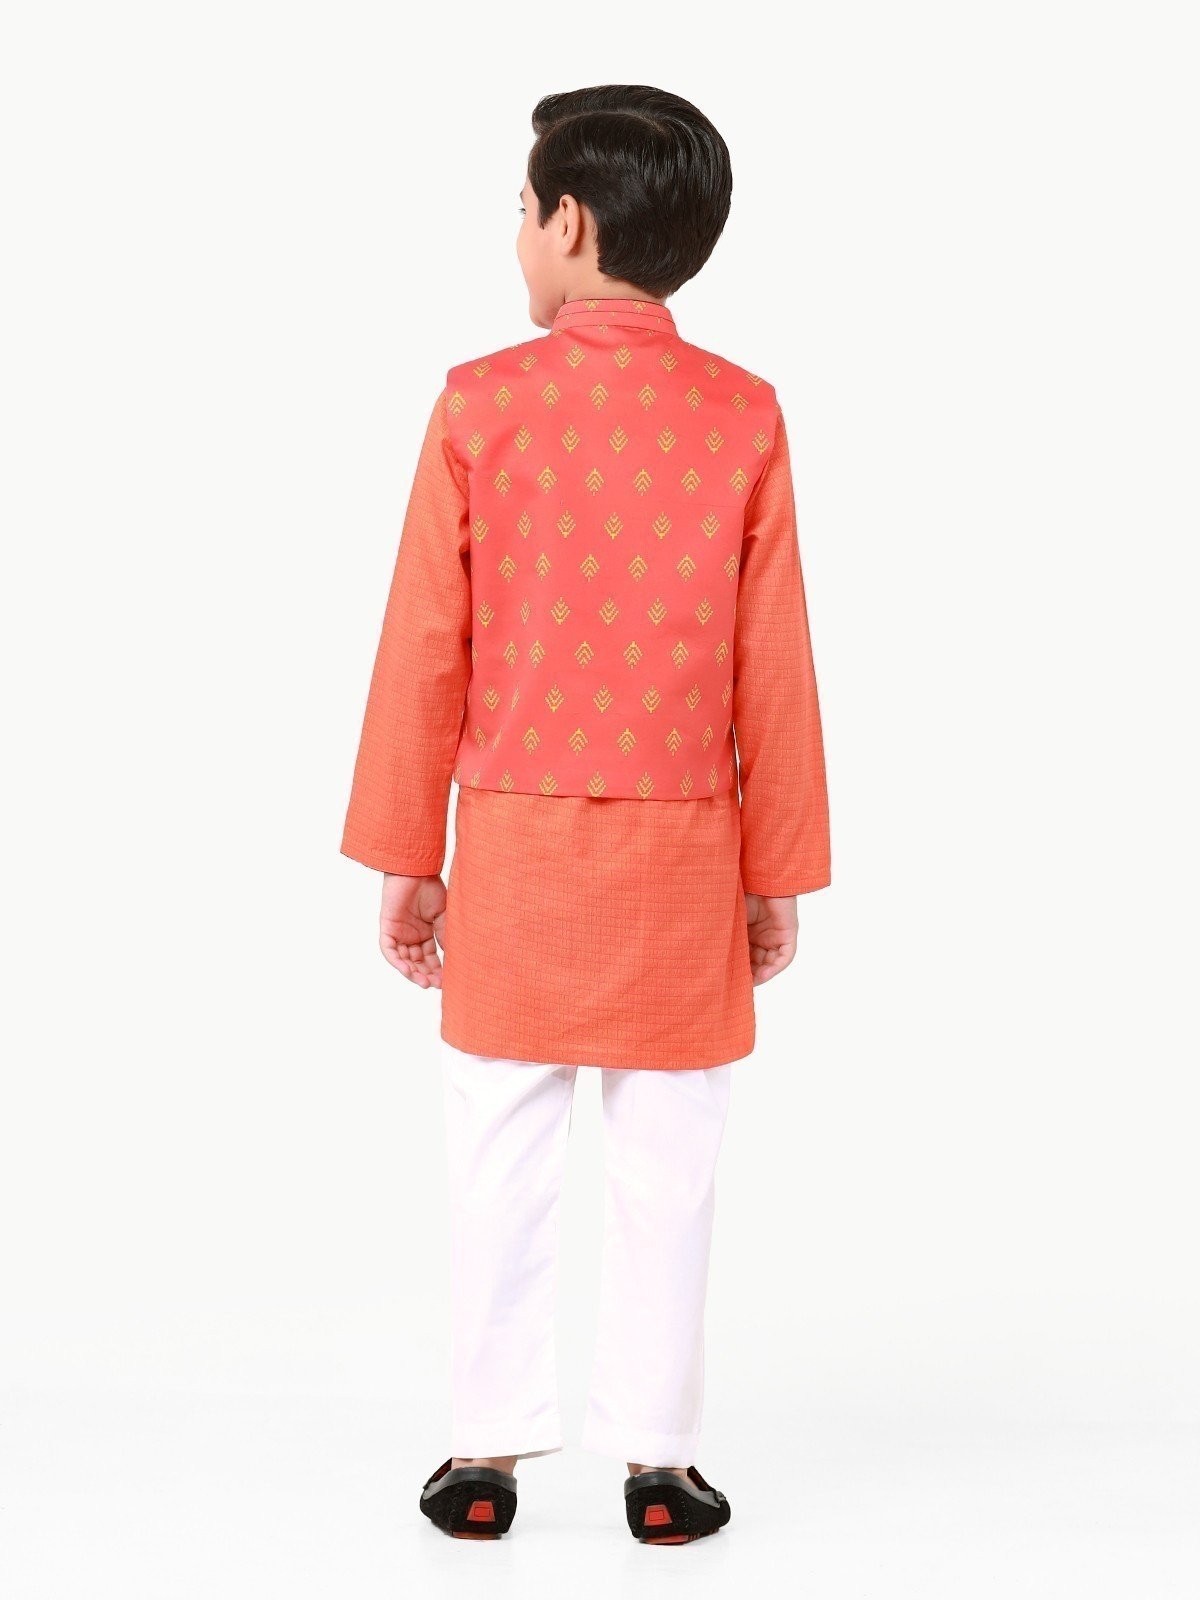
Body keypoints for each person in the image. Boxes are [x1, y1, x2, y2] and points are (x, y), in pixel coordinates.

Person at [341, 84, 830, 1544]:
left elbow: (423, 645)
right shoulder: (743, 414)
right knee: (670, 1165)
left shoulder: (478, 405)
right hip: (684, 856)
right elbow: (773, 664)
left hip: (516, 851)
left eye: (521, 209)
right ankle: (659, 1466)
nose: (517, 235)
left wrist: (406, 856)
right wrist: (775, 870)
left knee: (496, 1148)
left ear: (569, 221)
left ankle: (484, 1455)